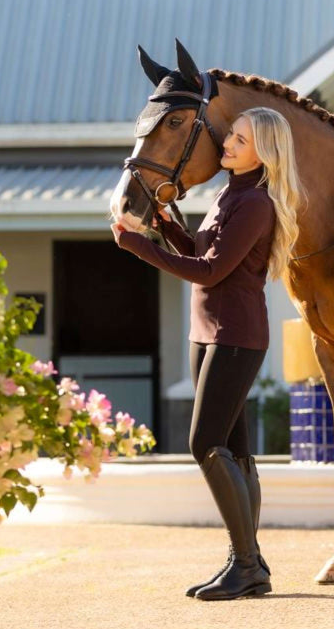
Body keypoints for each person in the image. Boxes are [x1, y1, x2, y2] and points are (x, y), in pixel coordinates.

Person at [112, 106, 304, 601]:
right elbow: (201, 249)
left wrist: (138, 247)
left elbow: (211, 272)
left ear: (265, 151)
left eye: (240, 140)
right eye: (231, 137)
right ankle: (248, 562)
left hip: (236, 336)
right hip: (209, 333)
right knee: (236, 450)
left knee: (205, 443)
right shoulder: (229, 193)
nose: (228, 144)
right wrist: (162, 225)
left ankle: (247, 564)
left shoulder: (256, 203)